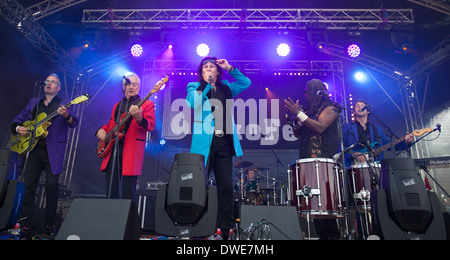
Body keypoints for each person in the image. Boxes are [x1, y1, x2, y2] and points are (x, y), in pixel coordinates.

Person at [186, 57, 251, 239]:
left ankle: (225, 230)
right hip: (203, 146)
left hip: (224, 144)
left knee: (225, 188)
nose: (208, 69)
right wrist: (206, 85)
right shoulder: (194, 86)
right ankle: (197, 228)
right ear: (201, 73)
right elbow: (193, 103)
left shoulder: (227, 88)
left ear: (217, 71)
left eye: (212, 67)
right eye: (205, 67)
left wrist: (229, 67)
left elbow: (245, 82)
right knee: (199, 187)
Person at [11, 73, 79, 236]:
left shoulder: (63, 104)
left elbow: (73, 123)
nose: (49, 84)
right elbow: (18, 119)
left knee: (51, 186)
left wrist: (66, 116)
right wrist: (17, 128)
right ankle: (24, 222)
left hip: (52, 151)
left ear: (58, 87)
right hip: (33, 149)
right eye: (47, 81)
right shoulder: (34, 102)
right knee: (28, 185)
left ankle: (50, 225)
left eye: (53, 82)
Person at [284, 79, 340, 240]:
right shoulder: (310, 109)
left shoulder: (330, 107)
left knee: (325, 201)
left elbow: (320, 127)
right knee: (313, 200)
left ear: (315, 91)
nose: (305, 95)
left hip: (323, 160)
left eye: (306, 91)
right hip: (308, 159)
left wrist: (300, 114)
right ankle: (323, 236)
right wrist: (295, 121)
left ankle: (333, 236)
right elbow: (298, 133)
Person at [96, 73, 155, 203]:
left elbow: (150, 125)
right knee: (111, 190)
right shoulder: (117, 105)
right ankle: (110, 220)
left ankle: (128, 222)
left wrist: (139, 117)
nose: (131, 87)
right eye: (127, 84)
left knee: (128, 192)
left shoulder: (147, 104)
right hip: (113, 149)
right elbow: (111, 124)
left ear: (139, 87)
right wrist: (101, 130)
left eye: (134, 84)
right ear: (123, 87)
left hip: (131, 151)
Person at [342, 99, 414, 166]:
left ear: (368, 111)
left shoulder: (378, 130)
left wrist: (406, 142)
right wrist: (353, 154)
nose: (360, 106)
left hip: (375, 167)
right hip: (352, 167)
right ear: (354, 111)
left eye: (362, 106)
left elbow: (390, 146)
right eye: (357, 106)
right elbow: (340, 146)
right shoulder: (347, 127)